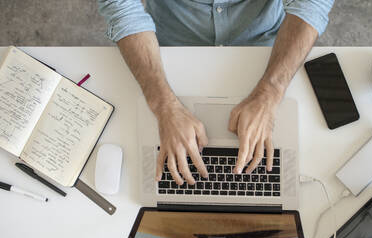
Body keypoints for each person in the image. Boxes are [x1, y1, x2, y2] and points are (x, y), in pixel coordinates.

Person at [98, 0, 334, 186]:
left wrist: (270, 92)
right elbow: (121, 7)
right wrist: (164, 105)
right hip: (169, 54)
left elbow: (312, 3)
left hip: (267, 55)